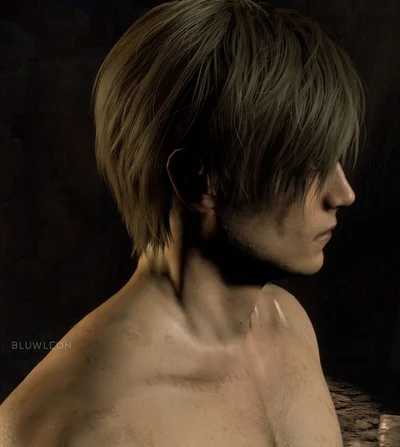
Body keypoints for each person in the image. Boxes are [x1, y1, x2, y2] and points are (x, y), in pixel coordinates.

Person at [0, 0, 365, 445]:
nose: (343, 193)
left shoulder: (287, 321)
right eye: (306, 167)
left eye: (333, 158)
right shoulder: (80, 427)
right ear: (196, 183)